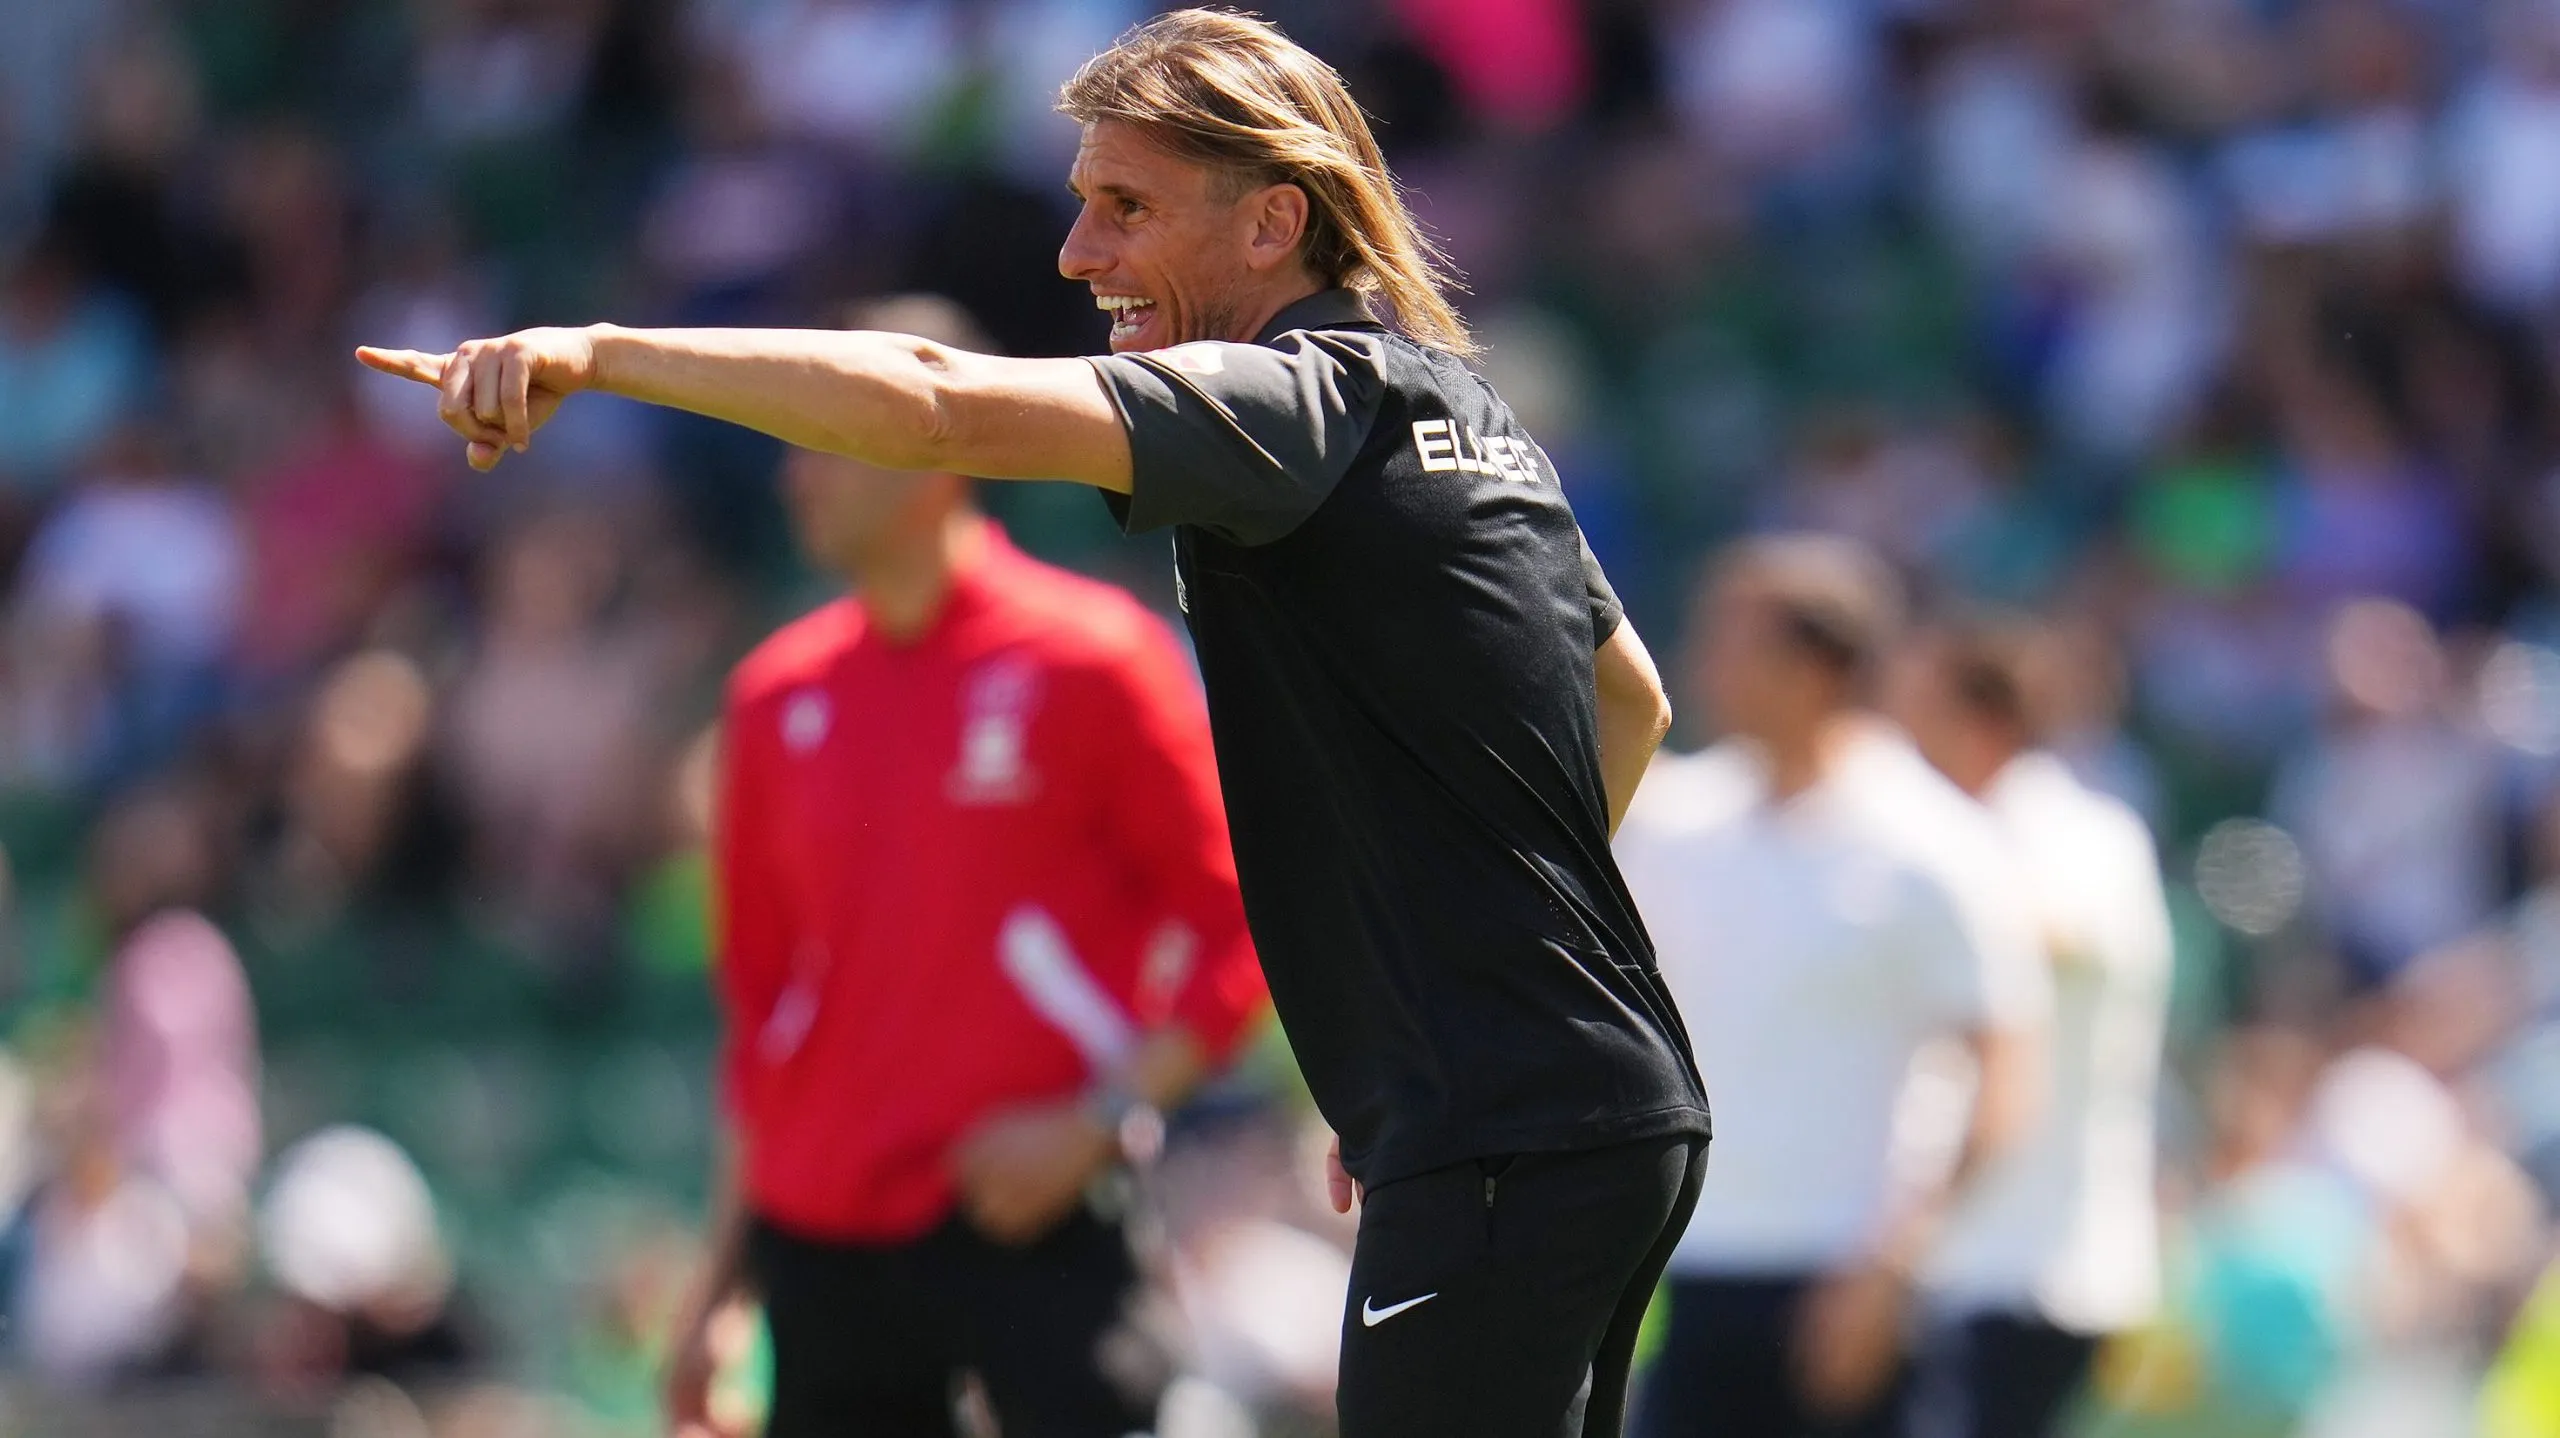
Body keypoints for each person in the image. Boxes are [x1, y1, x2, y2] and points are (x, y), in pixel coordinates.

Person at [359, 12, 1709, 1435]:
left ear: (1273, 223)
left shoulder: (1289, 400)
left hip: (1502, 1124)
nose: (1079, 253)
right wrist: (1458, 1000)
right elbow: (1632, 701)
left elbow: (941, 406)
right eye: (1082, 205)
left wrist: (601, 351)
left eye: (1127, 208)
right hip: (1596, 1103)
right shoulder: (1456, 404)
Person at [657, 294, 1270, 1438]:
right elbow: (765, 1023)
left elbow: (1244, 929)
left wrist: (1099, 1119)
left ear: (936, 443)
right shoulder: (774, 695)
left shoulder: (1095, 660)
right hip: (822, 1250)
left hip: (1033, 1228)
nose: (797, 479)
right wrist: (718, 1290)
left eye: (825, 444)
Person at [1615, 537, 2049, 1438]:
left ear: (1818, 667)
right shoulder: (1678, 822)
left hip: (1847, 1290)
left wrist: (1891, 1270)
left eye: (1734, 640)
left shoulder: (1931, 844)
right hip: (1698, 1271)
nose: (1703, 662)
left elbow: (2006, 1075)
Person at [1889, 615, 2173, 1438]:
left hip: (2034, 1267)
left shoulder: (2083, 834)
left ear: (1982, 724)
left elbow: (2054, 928)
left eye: (1916, 715)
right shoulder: (1937, 841)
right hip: (1949, 1267)